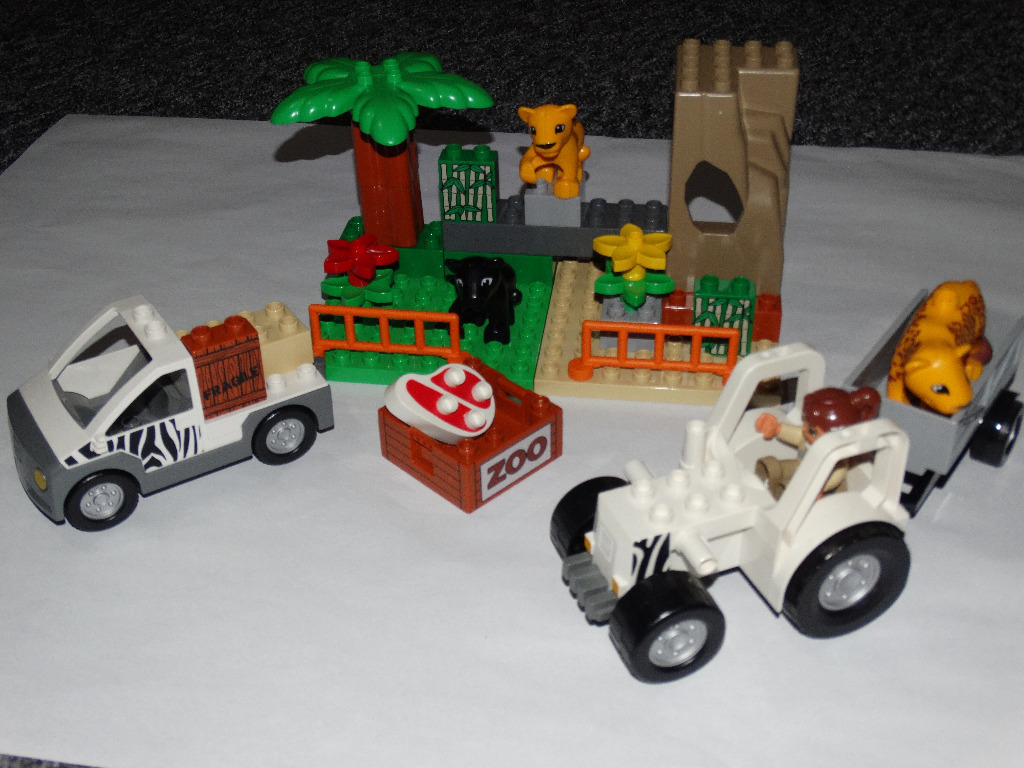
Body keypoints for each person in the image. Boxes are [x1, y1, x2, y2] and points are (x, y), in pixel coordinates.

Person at [754, 387, 881, 500]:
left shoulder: (837, 457)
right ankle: (767, 479)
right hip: (800, 465)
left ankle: (786, 492)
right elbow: (798, 435)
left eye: (813, 431)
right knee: (776, 467)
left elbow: (837, 476)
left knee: (799, 489)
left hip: (821, 482)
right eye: (807, 423)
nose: (806, 429)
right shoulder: (807, 437)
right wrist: (777, 428)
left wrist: (820, 487)